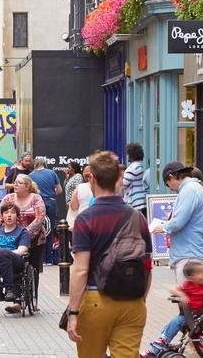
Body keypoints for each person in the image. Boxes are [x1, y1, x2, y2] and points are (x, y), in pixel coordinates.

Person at [65, 150, 151, 358]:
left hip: (96, 299)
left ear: (91, 178)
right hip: (132, 301)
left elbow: (80, 270)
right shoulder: (137, 218)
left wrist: (73, 312)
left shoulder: (86, 219)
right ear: (118, 179)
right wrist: (141, 300)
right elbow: (147, 265)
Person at [0, 173, 46, 313]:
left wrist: (23, 234)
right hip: (10, 236)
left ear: (27, 186)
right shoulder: (8, 198)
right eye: (15, 182)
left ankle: (31, 300)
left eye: (19, 183)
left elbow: (40, 218)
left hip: (33, 238)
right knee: (9, 262)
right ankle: (16, 300)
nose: (15, 185)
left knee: (32, 267)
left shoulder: (36, 199)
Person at [154, 160, 203, 284]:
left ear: (172, 177)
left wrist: (163, 227)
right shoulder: (202, 190)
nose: (170, 189)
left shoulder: (188, 191)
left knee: (189, 301)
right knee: (201, 301)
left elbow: (177, 222)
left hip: (189, 256)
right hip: (200, 253)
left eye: (167, 184)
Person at [141, 260, 203, 357]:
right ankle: (161, 342)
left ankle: (159, 345)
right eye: (200, 273)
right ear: (191, 278)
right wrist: (182, 294)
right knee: (171, 324)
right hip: (189, 315)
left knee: (176, 321)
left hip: (197, 316)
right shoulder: (188, 285)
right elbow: (173, 289)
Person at [0, 200, 30, 302]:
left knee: (3, 253)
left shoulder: (22, 232)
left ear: (17, 216)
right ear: (2, 216)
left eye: (12, 213)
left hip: (15, 262)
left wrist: (4, 252)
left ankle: (10, 289)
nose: (9, 216)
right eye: (6, 213)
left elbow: (22, 250)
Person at [28, 157, 62, 265]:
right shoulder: (52, 173)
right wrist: (51, 195)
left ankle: (40, 259)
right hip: (50, 202)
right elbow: (59, 190)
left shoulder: (30, 176)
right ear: (44, 164)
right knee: (50, 230)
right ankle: (49, 259)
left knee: (38, 230)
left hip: (37, 204)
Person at [123, 143, 148, 214]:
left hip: (135, 201)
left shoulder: (133, 168)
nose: (126, 156)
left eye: (127, 154)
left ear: (131, 155)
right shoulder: (139, 166)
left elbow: (123, 184)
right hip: (139, 200)